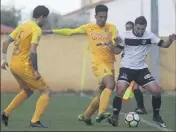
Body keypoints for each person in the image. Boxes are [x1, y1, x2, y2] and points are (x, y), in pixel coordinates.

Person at [43, 4, 122, 125]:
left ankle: (86, 116)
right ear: (95, 16)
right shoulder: (88, 28)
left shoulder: (111, 27)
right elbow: (70, 32)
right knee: (111, 84)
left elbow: (116, 48)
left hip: (110, 64)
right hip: (98, 64)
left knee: (102, 95)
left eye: (105, 17)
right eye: (100, 17)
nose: (103, 19)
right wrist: (51, 31)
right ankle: (101, 113)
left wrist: (115, 42)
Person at [108, 16, 176, 128]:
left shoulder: (150, 36)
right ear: (134, 26)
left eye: (142, 29)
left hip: (141, 69)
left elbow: (165, 45)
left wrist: (170, 40)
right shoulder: (125, 36)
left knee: (156, 91)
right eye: (138, 28)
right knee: (120, 89)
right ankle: (114, 116)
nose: (140, 31)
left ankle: (156, 115)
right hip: (127, 68)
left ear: (145, 27)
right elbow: (117, 51)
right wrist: (112, 46)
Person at [1, 5, 51, 128]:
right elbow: (33, 51)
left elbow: (5, 42)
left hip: (14, 65)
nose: (45, 21)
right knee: (46, 91)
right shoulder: (36, 29)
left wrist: (3, 59)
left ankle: (5, 113)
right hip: (24, 66)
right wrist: (35, 70)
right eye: (46, 18)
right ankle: (35, 121)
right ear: (42, 17)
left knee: (28, 91)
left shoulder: (22, 26)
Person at [125, 21, 147, 114]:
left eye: (130, 28)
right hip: (128, 66)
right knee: (134, 87)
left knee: (135, 87)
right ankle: (140, 107)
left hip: (136, 67)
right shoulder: (125, 37)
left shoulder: (137, 38)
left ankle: (141, 107)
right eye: (127, 28)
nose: (128, 30)